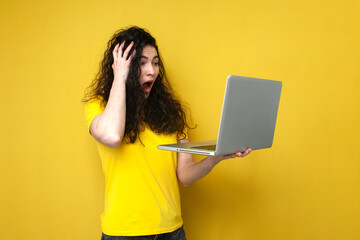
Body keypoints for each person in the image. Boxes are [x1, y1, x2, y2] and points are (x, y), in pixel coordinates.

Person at [83, 26, 252, 240]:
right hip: (124, 233)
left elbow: (185, 175)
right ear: (121, 66)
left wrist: (216, 157)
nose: (151, 71)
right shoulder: (99, 107)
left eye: (155, 63)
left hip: (171, 232)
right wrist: (120, 76)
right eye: (141, 63)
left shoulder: (169, 113)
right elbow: (112, 136)